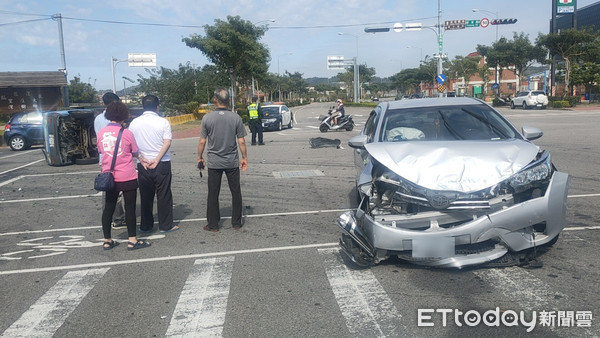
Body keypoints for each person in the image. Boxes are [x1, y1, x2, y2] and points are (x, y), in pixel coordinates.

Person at [97, 101, 150, 251]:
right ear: (123, 115)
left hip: (109, 177)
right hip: (127, 175)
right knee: (130, 208)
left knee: (108, 208)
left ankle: (107, 240)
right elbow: (134, 151)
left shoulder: (101, 133)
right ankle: (132, 240)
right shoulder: (127, 133)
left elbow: (101, 151)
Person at [197, 87, 248, 232]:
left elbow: (202, 141)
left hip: (214, 162)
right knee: (235, 191)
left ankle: (213, 224)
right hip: (231, 161)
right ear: (229, 100)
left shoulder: (207, 118)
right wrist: (244, 158)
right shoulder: (236, 118)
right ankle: (236, 222)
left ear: (215, 100)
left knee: (213, 193)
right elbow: (242, 142)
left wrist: (199, 157)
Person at [128, 95, 179, 234]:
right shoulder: (163, 122)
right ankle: (166, 225)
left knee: (146, 195)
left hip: (143, 163)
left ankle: (146, 225)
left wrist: (142, 158)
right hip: (161, 163)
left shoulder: (134, 123)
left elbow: (131, 145)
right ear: (157, 106)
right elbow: (167, 142)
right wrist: (156, 159)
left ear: (143, 106)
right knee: (164, 194)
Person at [94, 92, 126, 230]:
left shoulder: (98, 119)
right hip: (116, 157)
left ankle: (108, 216)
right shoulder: (112, 119)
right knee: (117, 190)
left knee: (108, 186)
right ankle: (117, 218)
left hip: (104, 158)